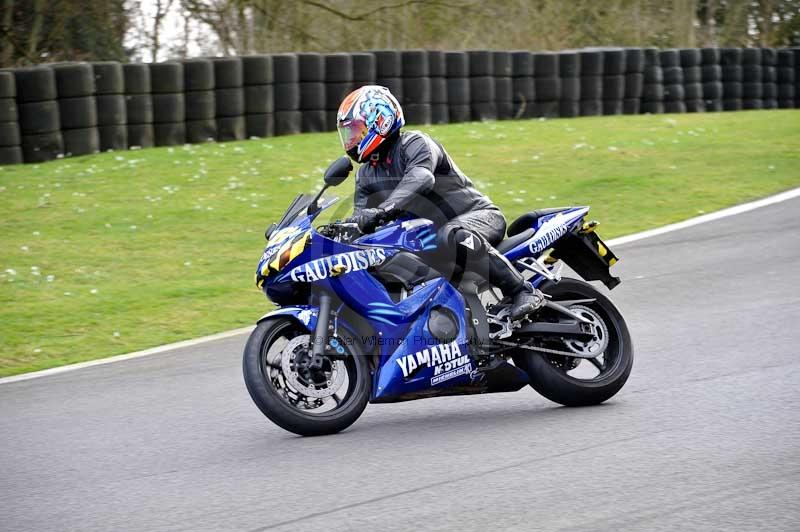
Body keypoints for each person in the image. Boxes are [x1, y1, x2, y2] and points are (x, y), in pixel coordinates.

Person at [336, 85, 544, 321]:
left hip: (478, 217)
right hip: (429, 240)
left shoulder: (414, 144)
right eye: (348, 134)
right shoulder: (365, 174)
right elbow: (360, 221)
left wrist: (383, 211)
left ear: (380, 120)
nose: (351, 140)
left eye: (356, 131)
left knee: (451, 235)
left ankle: (523, 291)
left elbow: (421, 177)